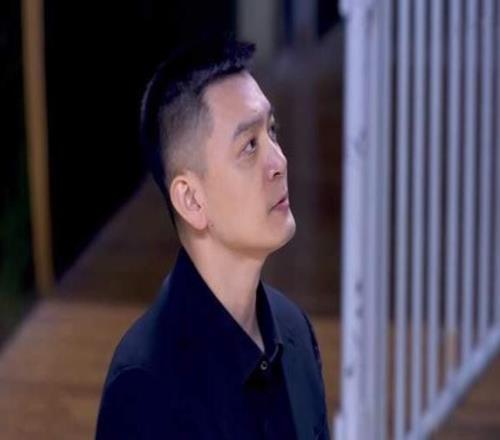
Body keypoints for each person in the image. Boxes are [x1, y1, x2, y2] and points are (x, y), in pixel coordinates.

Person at [95, 34, 329, 440]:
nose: (279, 161)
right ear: (191, 200)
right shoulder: (145, 391)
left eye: (273, 131)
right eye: (249, 146)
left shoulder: (295, 330)